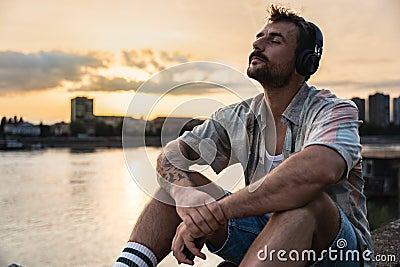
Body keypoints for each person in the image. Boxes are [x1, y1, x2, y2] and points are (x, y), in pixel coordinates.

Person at [113, 4, 373, 267]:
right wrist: (186, 197)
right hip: (266, 237)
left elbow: (318, 170)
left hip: (336, 253)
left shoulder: (333, 110)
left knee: (307, 203)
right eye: (259, 37)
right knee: (180, 184)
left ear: (304, 60)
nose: (258, 44)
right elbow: (171, 155)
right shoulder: (238, 116)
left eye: (274, 40)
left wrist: (214, 211)